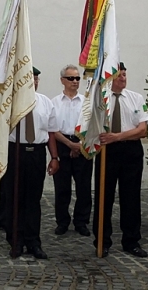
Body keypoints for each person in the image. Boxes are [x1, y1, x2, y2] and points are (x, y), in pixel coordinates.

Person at [92, 62, 148, 258]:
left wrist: (117, 136)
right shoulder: (101, 99)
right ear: (110, 78)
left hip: (130, 151)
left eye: (125, 75)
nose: (123, 78)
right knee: (104, 196)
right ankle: (102, 241)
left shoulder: (136, 98)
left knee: (131, 197)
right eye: (119, 75)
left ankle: (131, 241)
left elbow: (142, 130)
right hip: (107, 152)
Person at [0, 67, 60, 259]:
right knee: (14, 196)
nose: (33, 81)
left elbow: (51, 132)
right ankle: (15, 241)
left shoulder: (45, 102)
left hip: (37, 152)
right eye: (30, 78)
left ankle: (33, 241)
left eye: (36, 78)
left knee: (33, 199)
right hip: (15, 151)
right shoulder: (10, 102)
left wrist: (54, 157)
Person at [52, 64, 93, 236]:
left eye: (77, 78)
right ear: (62, 80)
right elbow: (52, 129)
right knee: (62, 187)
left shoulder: (87, 102)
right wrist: (70, 145)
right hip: (62, 143)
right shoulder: (54, 102)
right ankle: (62, 222)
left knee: (83, 187)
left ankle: (81, 221)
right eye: (71, 78)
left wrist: (79, 145)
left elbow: (91, 126)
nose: (75, 81)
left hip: (83, 144)